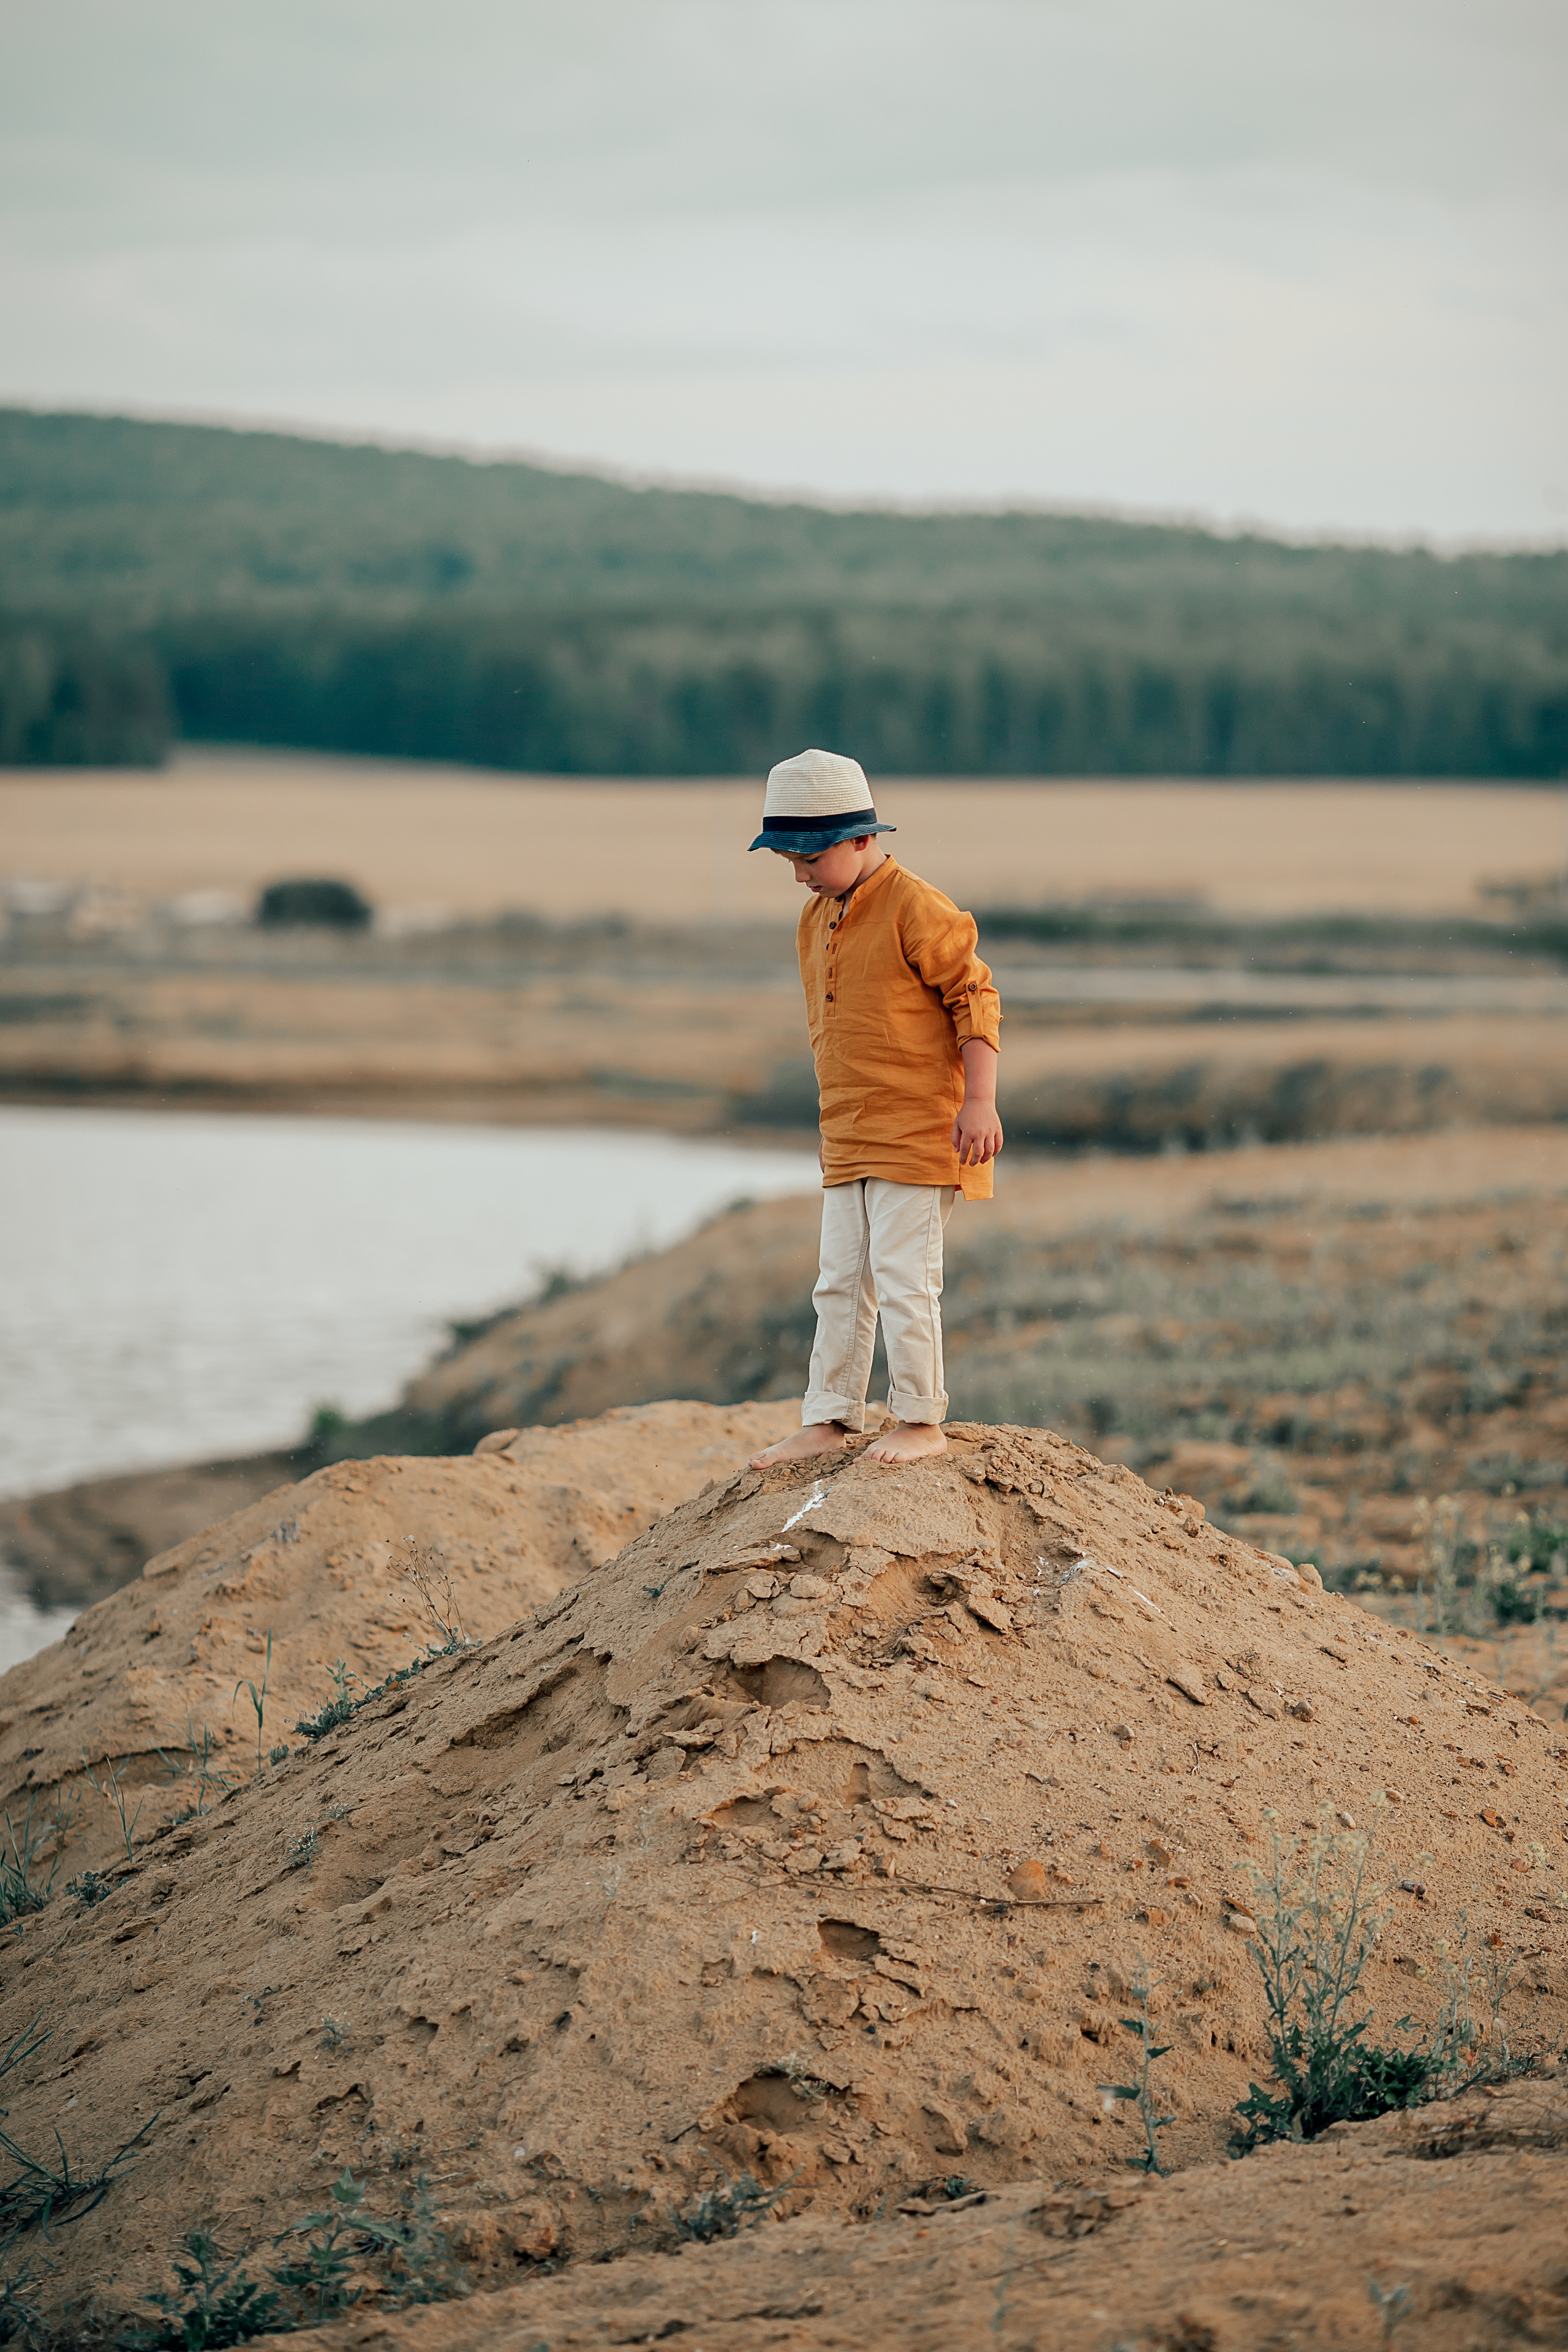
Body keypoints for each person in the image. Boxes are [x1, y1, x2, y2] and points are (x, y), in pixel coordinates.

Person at [747, 748, 1002, 1470]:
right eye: (788, 859)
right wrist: (833, 1130)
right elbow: (838, 1040)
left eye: (811, 855)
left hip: (921, 1131)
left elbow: (974, 998)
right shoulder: (814, 920)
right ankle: (828, 1417)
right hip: (851, 1135)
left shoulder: (915, 906)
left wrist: (979, 1101)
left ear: (864, 839)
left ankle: (921, 1419)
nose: (800, 871)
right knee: (837, 1281)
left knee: (902, 1276)